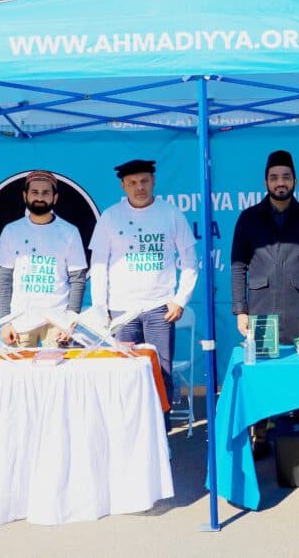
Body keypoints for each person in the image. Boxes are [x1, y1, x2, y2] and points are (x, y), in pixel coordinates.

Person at [231, 150, 299, 458]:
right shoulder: (248, 218)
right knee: (263, 374)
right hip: (261, 308)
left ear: (295, 181)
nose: (280, 182)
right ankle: (260, 434)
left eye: (286, 177)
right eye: (274, 178)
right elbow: (238, 266)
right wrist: (240, 310)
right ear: (266, 182)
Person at [89, 159, 198, 429]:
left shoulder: (171, 214)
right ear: (123, 186)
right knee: (125, 373)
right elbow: (98, 266)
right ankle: (129, 432)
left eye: (144, 181)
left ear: (154, 181)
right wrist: (101, 310)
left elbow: (190, 261)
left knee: (161, 372)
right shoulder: (110, 217)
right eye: (133, 183)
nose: (139, 188)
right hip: (121, 310)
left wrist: (180, 299)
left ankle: (162, 432)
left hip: (160, 309)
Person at [0, 170, 87, 347]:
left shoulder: (70, 232)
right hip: (20, 322)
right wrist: (5, 322)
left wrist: (70, 321)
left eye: (46, 193)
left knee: (58, 365)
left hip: (57, 322)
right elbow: (4, 279)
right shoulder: (11, 231)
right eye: (34, 192)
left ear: (55, 198)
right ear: (25, 196)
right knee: (19, 365)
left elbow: (78, 279)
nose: (40, 197)